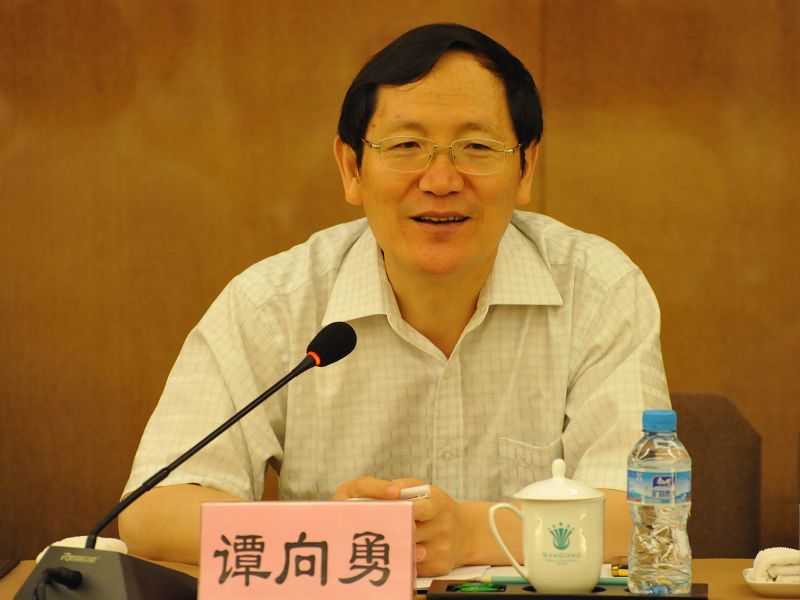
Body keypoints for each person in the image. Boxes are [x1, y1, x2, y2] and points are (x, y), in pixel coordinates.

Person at [119, 23, 670, 576]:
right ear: (351, 169)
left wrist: (471, 534)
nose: (440, 180)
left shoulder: (597, 289)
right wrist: (337, 537)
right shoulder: (272, 305)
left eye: (477, 148)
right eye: (406, 147)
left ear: (525, 168)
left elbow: (648, 513)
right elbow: (153, 513)